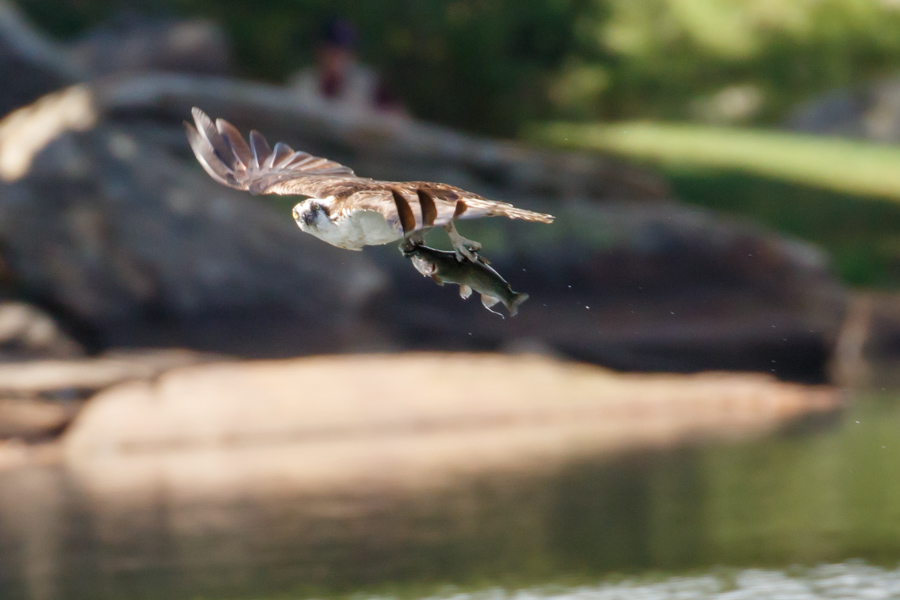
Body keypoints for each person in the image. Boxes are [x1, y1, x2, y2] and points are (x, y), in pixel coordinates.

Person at [287, 19, 407, 117]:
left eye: (343, 52)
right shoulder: (302, 82)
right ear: (320, 50)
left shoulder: (370, 85)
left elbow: (400, 119)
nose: (337, 57)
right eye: (332, 50)